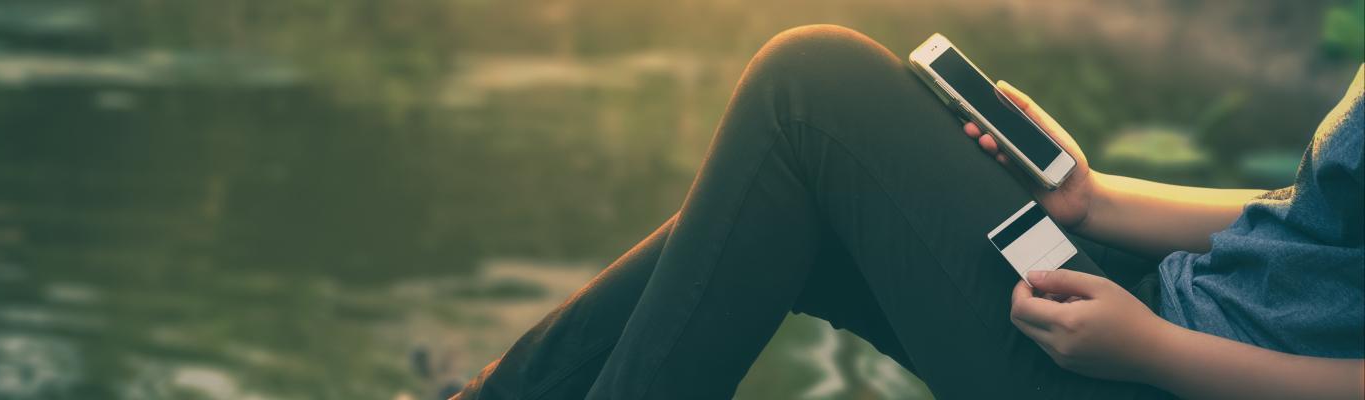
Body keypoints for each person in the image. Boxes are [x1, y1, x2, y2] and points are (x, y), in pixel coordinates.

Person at [451, 25, 1364, 399]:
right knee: (797, 212)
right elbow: (1314, 220)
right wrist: (1095, 201)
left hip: (1166, 370)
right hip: (1155, 307)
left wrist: (1156, 350)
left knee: (810, 88)